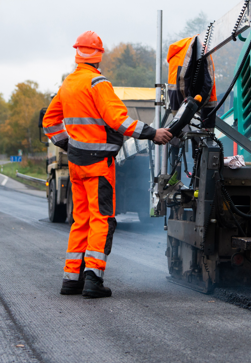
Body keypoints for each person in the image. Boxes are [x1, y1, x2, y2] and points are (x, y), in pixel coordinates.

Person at [43, 31, 172, 298]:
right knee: (101, 218)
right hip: (100, 165)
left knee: (81, 220)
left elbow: (50, 122)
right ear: (99, 55)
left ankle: (71, 279)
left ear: (77, 53)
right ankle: (93, 280)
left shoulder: (68, 85)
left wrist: (69, 145)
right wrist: (153, 133)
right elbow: (119, 121)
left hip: (77, 165)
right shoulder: (97, 83)